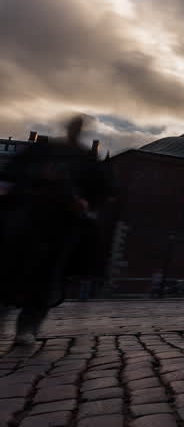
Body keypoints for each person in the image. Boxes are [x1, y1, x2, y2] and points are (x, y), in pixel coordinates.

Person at [0, 116, 110, 346]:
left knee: (46, 275)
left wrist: (85, 203)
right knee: (10, 269)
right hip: (29, 217)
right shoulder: (46, 149)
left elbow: (100, 190)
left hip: (60, 225)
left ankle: (28, 327)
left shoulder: (85, 159)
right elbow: (12, 174)